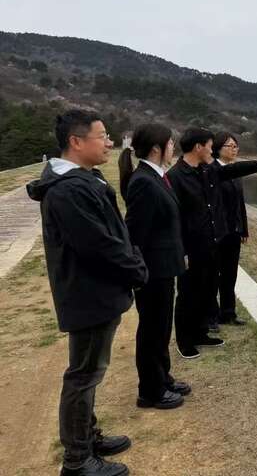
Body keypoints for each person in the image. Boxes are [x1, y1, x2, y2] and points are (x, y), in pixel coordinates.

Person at [27, 110, 148, 476]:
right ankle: (77, 460)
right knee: (83, 376)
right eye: (102, 136)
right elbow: (99, 246)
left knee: (90, 371)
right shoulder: (69, 190)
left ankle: (87, 436)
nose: (109, 143)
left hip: (95, 292)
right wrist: (136, 270)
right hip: (88, 295)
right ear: (76, 142)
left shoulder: (83, 180)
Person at [167, 128, 257, 358]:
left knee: (207, 289)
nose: (211, 150)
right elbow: (174, 218)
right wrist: (181, 250)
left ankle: (201, 332)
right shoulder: (176, 176)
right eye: (209, 146)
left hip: (212, 242)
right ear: (198, 147)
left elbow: (236, 169)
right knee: (188, 294)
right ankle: (185, 341)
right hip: (191, 247)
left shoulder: (207, 170)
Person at [119, 123, 191, 411]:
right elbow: (135, 231)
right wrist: (139, 271)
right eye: (170, 143)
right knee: (151, 329)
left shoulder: (156, 176)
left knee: (161, 327)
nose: (174, 148)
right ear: (156, 149)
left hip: (164, 267)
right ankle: (150, 390)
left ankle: (163, 377)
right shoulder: (143, 182)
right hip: (152, 270)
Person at [211, 132, 248, 326]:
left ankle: (228, 312)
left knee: (230, 273)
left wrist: (244, 229)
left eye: (236, 146)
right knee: (213, 274)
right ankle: (212, 314)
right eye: (230, 146)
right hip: (218, 233)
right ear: (218, 148)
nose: (234, 150)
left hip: (234, 232)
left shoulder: (235, 172)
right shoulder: (213, 171)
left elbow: (240, 204)